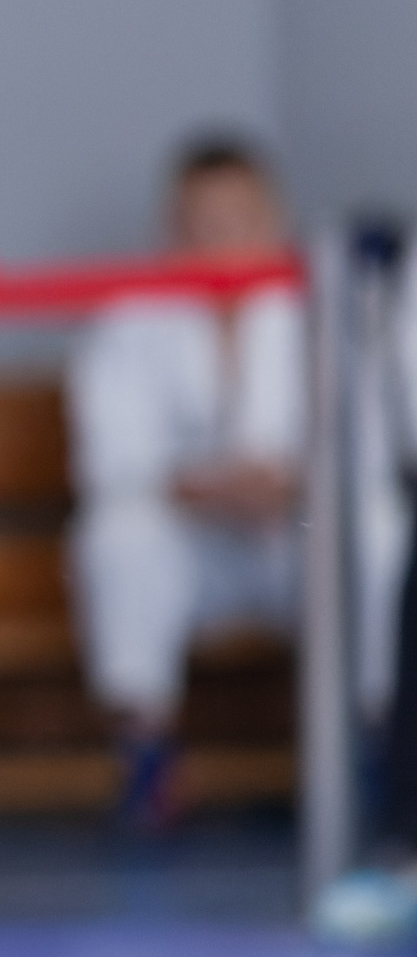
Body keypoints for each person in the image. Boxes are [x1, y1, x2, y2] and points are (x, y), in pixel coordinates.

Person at [68, 136, 303, 832]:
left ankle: (374, 750)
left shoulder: (320, 304)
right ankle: (147, 751)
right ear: (173, 226)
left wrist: (287, 483)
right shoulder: (133, 315)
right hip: (189, 543)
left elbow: (363, 445)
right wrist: (202, 486)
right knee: (119, 534)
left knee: (376, 534)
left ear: (271, 218)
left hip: (294, 535)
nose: (219, 236)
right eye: (201, 219)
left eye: (237, 216)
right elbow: (113, 458)